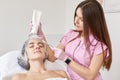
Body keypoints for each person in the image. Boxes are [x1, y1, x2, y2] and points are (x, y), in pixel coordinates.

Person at [36, 0, 112, 80]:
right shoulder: (70, 35)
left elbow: (90, 75)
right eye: (76, 15)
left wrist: (66, 59)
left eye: (81, 19)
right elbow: (52, 57)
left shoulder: (99, 46)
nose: (76, 21)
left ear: (93, 22)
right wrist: (41, 37)